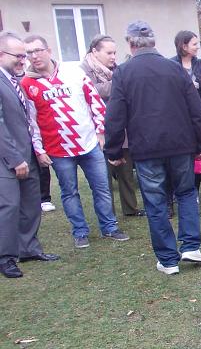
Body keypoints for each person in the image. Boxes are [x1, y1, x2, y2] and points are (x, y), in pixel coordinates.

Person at [105, 20, 201, 275]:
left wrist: (113, 151)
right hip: (179, 145)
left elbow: (115, 116)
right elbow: (197, 110)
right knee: (185, 193)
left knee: (156, 202)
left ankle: (168, 259)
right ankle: (190, 246)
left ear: (130, 44)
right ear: (153, 42)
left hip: (147, 148)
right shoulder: (174, 69)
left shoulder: (124, 73)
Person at [22, 34, 129, 248]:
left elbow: (96, 102)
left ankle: (109, 226)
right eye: (29, 53)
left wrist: (101, 133)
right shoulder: (28, 84)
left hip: (88, 143)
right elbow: (31, 121)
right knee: (69, 191)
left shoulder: (73, 72)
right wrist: (39, 149)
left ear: (48, 50)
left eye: (37, 50)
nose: (34, 56)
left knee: (101, 187)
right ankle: (80, 231)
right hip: (58, 149)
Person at [0, 32, 59, 278]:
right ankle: (6, 258)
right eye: (19, 56)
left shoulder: (16, 80)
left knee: (30, 204)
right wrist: (15, 159)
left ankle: (28, 248)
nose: (23, 60)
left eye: (24, 56)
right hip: (8, 160)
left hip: (29, 155)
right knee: (10, 206)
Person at [81, 34, 144, 218]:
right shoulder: (83, 71)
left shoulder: (116, 70)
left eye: (115, 52)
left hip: (121, 127)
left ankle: (131, 208)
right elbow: (92, 91)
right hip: (97, 130)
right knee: (103, 176)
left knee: (126, 170)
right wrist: (118, 85)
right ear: (95, 51)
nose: (113, 56)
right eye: (109, 52)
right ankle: (108, 214)